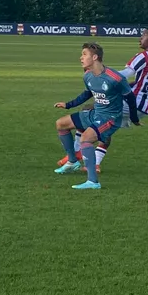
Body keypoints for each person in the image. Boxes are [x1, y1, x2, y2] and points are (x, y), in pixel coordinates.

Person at [57, 26, 148, 173]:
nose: (141, 37)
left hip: (131, 102)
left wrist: (101, 73)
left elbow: (125, 74)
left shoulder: (143, 56)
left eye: (144, 35)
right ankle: (94, 162)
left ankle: (74, 155)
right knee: (104, 123)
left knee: (93, 111)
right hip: (145, 108)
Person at [52, 42, 138, 190]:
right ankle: (72, 162)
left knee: (85, 138)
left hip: (110, 118)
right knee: (61, 124)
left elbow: (130, 98)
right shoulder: (88, 76)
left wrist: (134, 118)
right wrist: (68, 104)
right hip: (95, 113)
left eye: (84, 55)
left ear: (95, 57)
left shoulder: (115, 78)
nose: (81, 58)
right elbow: (87, 93)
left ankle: (93, 182)